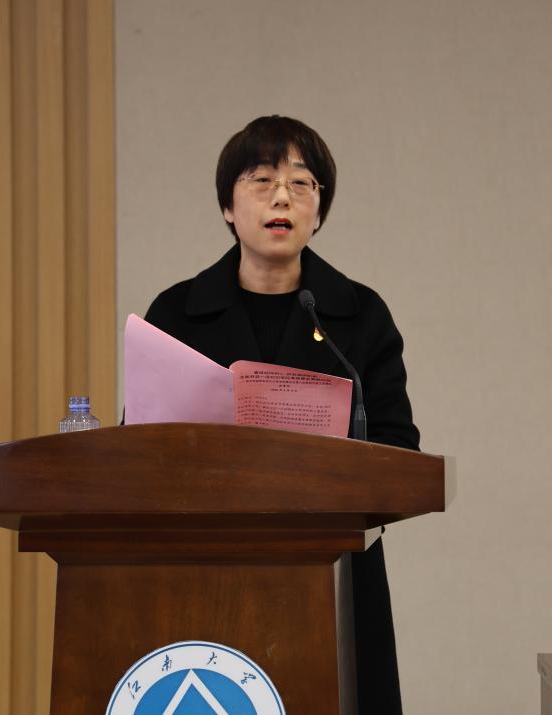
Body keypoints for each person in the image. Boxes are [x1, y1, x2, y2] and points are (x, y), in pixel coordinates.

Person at [144, 115, 419, 713]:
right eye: (262, 179)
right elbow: (140, 446)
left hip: (334, 569)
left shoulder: (360, 316)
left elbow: (400, 450)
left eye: (301, 183)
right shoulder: (177, 313)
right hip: (205, 566)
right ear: (228, 205)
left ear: (319, 210)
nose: (282, 197)